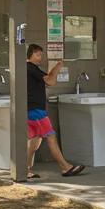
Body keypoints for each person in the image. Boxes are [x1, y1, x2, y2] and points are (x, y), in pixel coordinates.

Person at [25, 44, 84, 179]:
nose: (40, 57)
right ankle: (65, 167)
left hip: (30, 109)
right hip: (36, 111)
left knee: (34, 141)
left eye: (41, 54)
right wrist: (58, 67)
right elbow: (50, 81)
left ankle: (25, 169)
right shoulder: (31, 68)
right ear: (30, 54)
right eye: (38, 55)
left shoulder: (30, 68)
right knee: (51, 136)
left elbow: (47, 79)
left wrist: (55, 68)